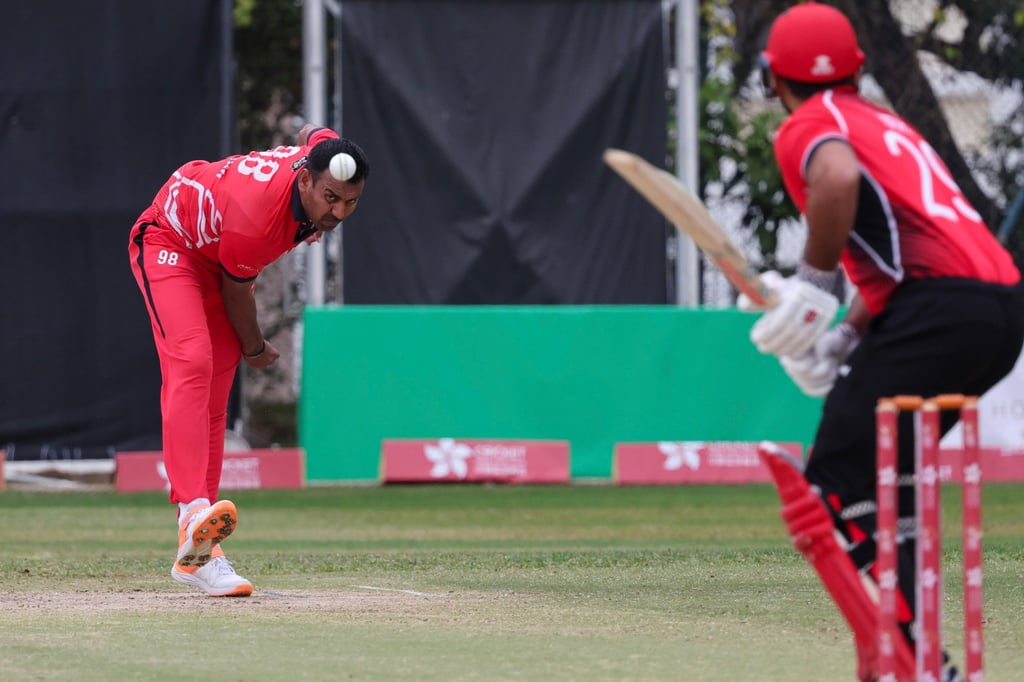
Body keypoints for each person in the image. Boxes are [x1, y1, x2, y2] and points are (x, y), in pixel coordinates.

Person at [745, 3, 1024, 680]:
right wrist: (845, 338)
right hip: (998, 310)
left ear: (773, 79)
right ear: (860, 70)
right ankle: (919, 656)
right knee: (882, 479)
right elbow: (907, 256)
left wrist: (811, 286)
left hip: (938, 311)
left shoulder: (810, 124)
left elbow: (835, 179)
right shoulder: (886, 124)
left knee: (832, 484)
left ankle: (911, 659)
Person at [128, 125, 369, 596]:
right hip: (168, 242)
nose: (338, 211)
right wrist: (256, 349)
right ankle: (194, 508)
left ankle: (197, 553)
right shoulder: (256, 222)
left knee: (217, 389)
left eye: (350, 202)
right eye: (329, 199)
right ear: (305, 181)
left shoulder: (325, 157)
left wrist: (316, 217)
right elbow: (239, 297)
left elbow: (314, 132)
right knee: (193, 360)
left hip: (214, 251)